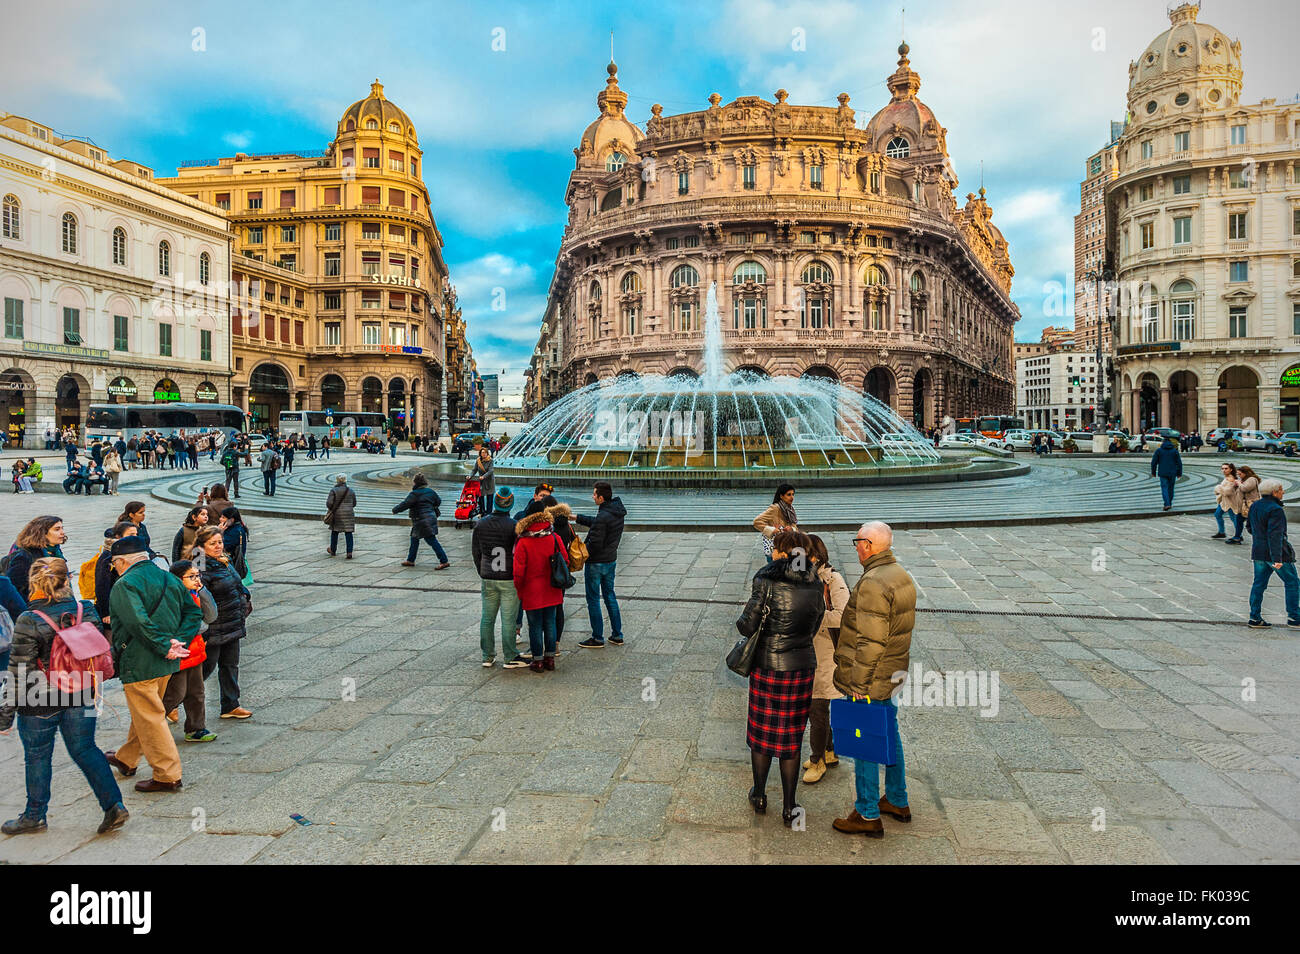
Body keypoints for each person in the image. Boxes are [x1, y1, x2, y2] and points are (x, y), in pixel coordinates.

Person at [0, 558, 128, 836]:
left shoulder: (29, 620)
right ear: (66, 579)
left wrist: (5, 715)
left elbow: (18, 670)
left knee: (37, 756)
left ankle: (34, 816)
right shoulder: (86, 609)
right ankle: (114, 805)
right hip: (82, 689)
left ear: (34, 583)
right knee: (86, 748)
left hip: (38, 697)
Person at [832, 521, 917, 838]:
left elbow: (871, 641)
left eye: (857, 541)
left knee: (864, 741)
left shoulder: (873, 583)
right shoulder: (899, 574)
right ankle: (897, 798)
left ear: (867, 545)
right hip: (892, 674)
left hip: (871, 678)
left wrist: (857, 685)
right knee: (889, 732)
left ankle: (867, 814)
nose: (855, 547)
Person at [737, 528, 825, 827]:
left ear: (784, 551)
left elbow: (747, 626)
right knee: (791, 735)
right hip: (801, 668)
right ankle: (790, 806)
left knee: (763, 734)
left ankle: (759, 794)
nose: (772, 552)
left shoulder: (766, 580)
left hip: (768, 666)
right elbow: (816, 622)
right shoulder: (816, 583)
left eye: (776, 548)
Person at [103, 536, 199, 793]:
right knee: (146, 711)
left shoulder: (125, 584)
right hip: (165, 662)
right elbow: (193, 613)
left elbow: (138, 622)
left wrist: (164, 645)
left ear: (122, 561)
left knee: (151, 717)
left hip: (140, 661)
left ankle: (167, 775)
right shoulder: (168, 576)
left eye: (114, 564)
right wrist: (178, 641)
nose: (115, 569)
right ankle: (127, 758)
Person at [803, 534, 850, 785]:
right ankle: (830, 752)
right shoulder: (808, 577)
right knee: (818, 705)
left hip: (827, 654)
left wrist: (812, 617)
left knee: (817, 708)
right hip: (812, 651)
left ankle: (817, 759)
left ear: (816, 556)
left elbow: (843, 616)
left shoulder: (834, 580)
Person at [193, 527, 252, 719]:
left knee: (230, 665)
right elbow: (201, 598)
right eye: (213, 543)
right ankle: (173, 702)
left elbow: (237, 582)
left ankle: (230, 705)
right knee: (205, 669)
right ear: (201, 547)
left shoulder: (223, 561)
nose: (218, 546)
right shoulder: (199, 567)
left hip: (232, 623)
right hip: (214, 627)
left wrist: (245, 595)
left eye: (219, 542)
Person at [472, 488, 529, 669]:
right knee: (508, 619)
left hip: (488, 576)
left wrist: (482, 570)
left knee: (487, 618)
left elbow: (476, 552)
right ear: (510, 504)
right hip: (508, 577)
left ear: (495, 503)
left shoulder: (481, 524)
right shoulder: (514, 526)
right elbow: (519, 553)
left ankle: (487, 656)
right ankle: (510, 656)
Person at [162, 560, 217, 742]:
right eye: (191, 576)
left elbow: (211, 616)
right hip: (180, 652)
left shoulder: (195, 594)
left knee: (197, 692)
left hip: (196, 651)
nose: (196, 579)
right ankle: (151, 723)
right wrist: (199, 626)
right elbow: (194, 625)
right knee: (175, 694)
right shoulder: (171, 598)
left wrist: (202, 591)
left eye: (197, 575)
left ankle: (196, 728)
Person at [513, 501, 566, 672]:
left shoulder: (524, 541)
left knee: (535, 625)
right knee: (550, 622)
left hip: (531, 590)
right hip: (552, 588)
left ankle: (537, 661)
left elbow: (518, 572)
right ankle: (550, 659)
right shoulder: (554, 537)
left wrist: (519, 590)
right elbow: (565, 560)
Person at [575, 481, 626, 649]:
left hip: (596, 563)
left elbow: (595, 542)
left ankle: (597, 637)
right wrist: (576, 517)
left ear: (601, 497)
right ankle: (617, 635)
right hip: (610, 560)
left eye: (594, 494)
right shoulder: (615, 510)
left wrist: (581, 552)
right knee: (610, 596)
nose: (593, 496)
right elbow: (598, 523)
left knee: (593, 599)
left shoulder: (604, 515)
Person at [1246, 478, 1300, 628]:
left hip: (1258, 552)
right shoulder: (1275, 509)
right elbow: (1275, 535)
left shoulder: (1255, 505)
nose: (1283, 492)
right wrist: (1277, 558)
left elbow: (1249, 527)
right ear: (1274, 492)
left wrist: (1259, 539)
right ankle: (1294, 617)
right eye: (1281, 489)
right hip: (1276, 554)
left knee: (1259, 584)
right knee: (1292, 583)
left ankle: (1254, 617)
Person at [394, 474, 449, 569]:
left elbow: (405, 504)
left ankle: (444, 561)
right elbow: (438, 501)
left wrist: (395, 510)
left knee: (431, 540)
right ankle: (410, 560)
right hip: (430, 518)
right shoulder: (431, 492)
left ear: (416, 483)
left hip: (421, 520)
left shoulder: (414, 494)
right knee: (414, 539)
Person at [7, 515, 68, 601]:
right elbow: (14, 587)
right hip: (36, 604)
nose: (62, 532)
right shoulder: (24, 555)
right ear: (42, 533)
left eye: (62, 528)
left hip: (55, 600)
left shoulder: (55, 550)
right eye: (57, 529)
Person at [94, 521, 137, 630]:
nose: (135, 538)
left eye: (136, 534)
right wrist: (106, 612)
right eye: (131, 535)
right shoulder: (107, 557)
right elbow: (101, 586)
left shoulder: (130, 553)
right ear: (118, 537)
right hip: (112, 607)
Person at [753, 484, 798, 563]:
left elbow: (794, 525)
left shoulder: (790, 509)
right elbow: (757, 522)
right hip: (775, 546)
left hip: (786, 545)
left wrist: (792, 529)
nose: (792, 497)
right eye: (789, 495)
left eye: (793, 494)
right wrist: (772, 530)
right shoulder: (775, 508)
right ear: (781, 496)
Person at [1226, 464, 1260, 545]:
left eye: (1240, 474)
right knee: (1239, 520)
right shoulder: (1244, 480)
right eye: (1238, 474)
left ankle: (1258, 537)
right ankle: (1237, 537)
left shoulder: (1252, 479)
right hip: (1243, 506)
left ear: (1246, 473)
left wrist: (1239, 484)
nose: (1239, 476)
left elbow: (1245, 488)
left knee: (1251, 523)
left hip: (1250, 505)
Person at [325, 474, 357, 558]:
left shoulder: (334, 490)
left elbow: (329, 503)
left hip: (337, 514)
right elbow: (354, 503)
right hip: (349, 514)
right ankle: (349, 552)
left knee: (335, 531)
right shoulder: (351, 490)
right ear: (345, 480)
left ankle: (333, 550)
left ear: (337, 480)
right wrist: (348, 508)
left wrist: (332, 509)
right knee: (348, 532)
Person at [1150, 435, 1182, 511]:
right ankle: (1169, 503)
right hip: (1172, 473)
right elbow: (1179, 463)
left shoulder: (1159, 451)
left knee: (1164, 488)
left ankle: (1166, 503)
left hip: (1163, 472)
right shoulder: (1174, 451)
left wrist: (1153, 472)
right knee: (1171, 489)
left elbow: (1153, 462)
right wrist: (1179, 473)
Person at [219, 508, 249, 581]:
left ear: (231, 519)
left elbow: (222, 546)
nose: (220, 519)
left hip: (231, 564)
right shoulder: (235, 528)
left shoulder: (234, 531)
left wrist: (219, 532)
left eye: (223, 517)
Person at [1213, 463, 1241, 540]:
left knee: (1233, 518)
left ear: (1231, 469)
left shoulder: (1231, 479)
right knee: (1217, 514)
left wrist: (1217, 488)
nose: (1224, 470)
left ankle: (1239, 535)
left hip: (1230, 502)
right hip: (1224, 502)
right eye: (1222, 468)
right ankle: (1222, 532)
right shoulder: (1227, 478)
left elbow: (1227, 492)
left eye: (1226, 468)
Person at [468, 447, 496, 518]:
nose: (484, 454)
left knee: (489, 497)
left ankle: (489, 513)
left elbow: (491, 471)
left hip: (489, 480)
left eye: (485, 452)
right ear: (480, 454)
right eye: (482, 453)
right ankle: (482, 511)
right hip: (481, 481)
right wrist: (470, 476)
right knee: (481, 496)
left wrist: (484, 476)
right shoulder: (478, 460)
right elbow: (474, 470)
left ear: (487, 453)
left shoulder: (490, 460)